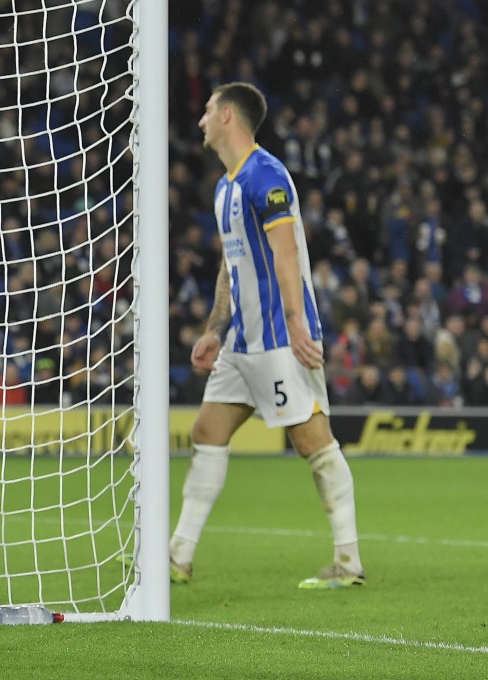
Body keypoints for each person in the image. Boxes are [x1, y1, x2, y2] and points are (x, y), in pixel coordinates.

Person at [169, 82, 365, 590]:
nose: (201, 121)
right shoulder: (224, 187)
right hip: (241, 344)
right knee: (207, 432)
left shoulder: (267, 174)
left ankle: (348, 563)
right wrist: (216, 328)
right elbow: (230, 264)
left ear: (229, 116)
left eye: (208, 111)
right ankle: (178, 555)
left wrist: (298, 323)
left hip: (281, 337)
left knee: (313, 442)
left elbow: (285, 253)